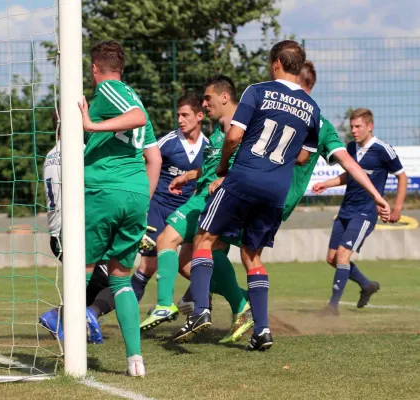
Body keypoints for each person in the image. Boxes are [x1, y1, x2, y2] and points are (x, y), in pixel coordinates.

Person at [174, 40, 322, 350]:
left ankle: (200, 309)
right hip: (275, 190)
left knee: (203, 238)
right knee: (252, 255)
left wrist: (224, 166)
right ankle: (263, 330)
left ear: (277, 62)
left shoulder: (257, 90)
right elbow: (303, 158)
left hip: (243, 179)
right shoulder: (312, 108)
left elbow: (235, 136)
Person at [140, 75, 252, 343]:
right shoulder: (216, 132)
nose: (204, 103)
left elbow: (248, 164)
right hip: (204, 194)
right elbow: (212, 164)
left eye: (207, 98)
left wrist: (225, 180)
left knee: (167, 239)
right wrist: (188, 176)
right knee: (194, 263)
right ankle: (242, 304)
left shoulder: (241, 129)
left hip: (212, 198)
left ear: (224, 97)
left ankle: (168, 304)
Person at [78, 40, 161, 377]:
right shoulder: (133, 97)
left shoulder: (110, 89)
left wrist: (90, 125)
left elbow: (137, 117)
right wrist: (142, 200)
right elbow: (153, 158)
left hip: (105, 191)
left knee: (81, 270)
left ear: (95, 69)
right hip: (136, 194)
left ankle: (70, 346)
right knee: (120, 279)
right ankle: (135, 360)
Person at [313, 108, 405, 314]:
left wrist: (397, 208)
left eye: (358, 127)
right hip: (346, 209)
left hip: (365, 212)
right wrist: (328, 183)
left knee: (343, 256)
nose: (353, 131)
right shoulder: (351, 147)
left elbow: (402, 176)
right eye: (352, 126)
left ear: (369, 126)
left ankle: (332, 307)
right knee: (332, 259)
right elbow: (350, 175)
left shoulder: (383, 149)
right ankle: (367, 285)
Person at [39, 111, 116, 345]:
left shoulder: (50, 155)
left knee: (89, 284)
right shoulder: (81, 153)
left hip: (57, 235)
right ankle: (88, 316)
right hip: (76, 234)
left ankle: (57, 316)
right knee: (117, 285)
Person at [131, 93, 208, 302]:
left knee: (188, 267)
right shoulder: (168, 141)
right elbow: (144, 161)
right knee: (148, 266)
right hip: (159, 207)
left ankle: (202, 303)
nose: (180, 120)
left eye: (185, 115)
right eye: (178, 115)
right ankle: (122, 311)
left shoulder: (208, 147)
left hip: (186, 212)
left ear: (199, 116)